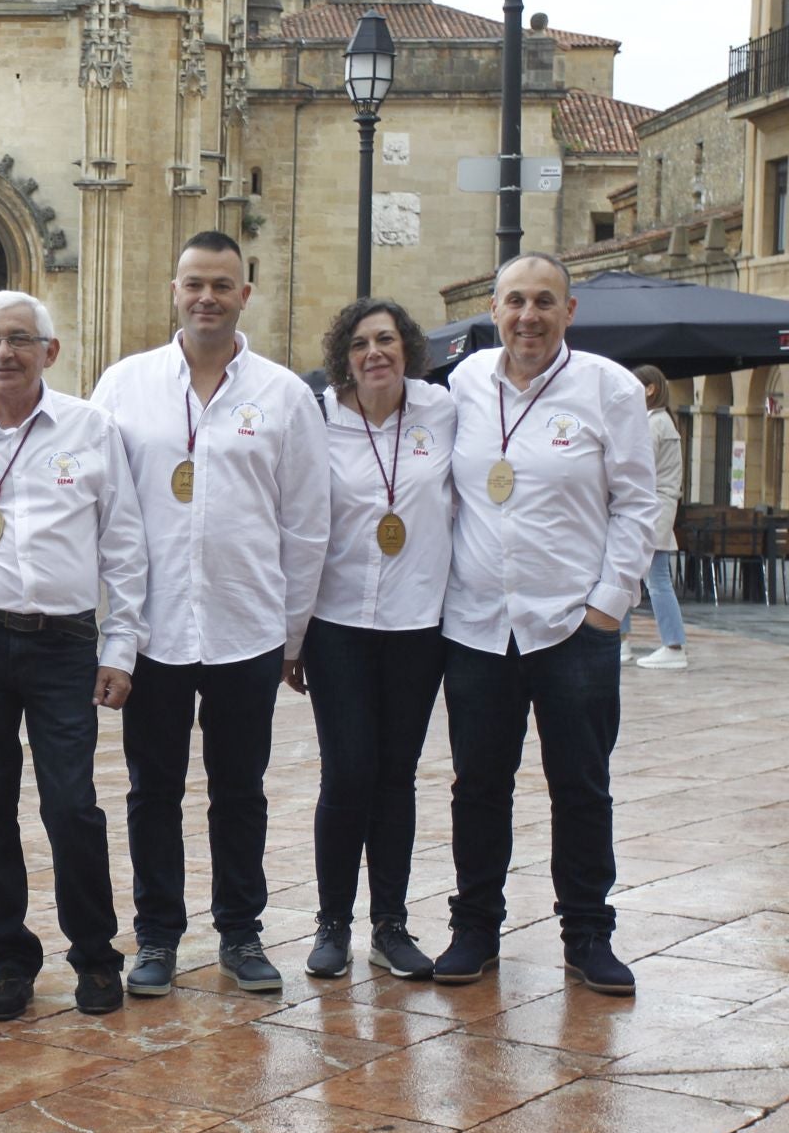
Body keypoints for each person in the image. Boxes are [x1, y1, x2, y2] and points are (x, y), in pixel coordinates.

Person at [90, 230, 329, 998]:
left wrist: (293, 634)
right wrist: (111, 632)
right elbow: (94, 504)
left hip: (246, 626)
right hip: (153, 628)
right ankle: (157, 936)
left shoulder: (285, 395)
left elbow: (307, 521)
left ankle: (241, 931)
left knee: (240, 789)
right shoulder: (124, 386)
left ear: (244, 295)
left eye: (222, 285)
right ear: (174, 289)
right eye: (194, 283)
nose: (207, 298)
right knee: (150, 790)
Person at [0, 289, 148, 1022]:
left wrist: (123, 646)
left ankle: (97, 955)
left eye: (19, 339)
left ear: (49, 351)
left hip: (64, 641)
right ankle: (9, 957)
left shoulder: (91, 428)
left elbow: (125, 543)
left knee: (72, 806)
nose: (3, 353)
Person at [433, 253, 658, 996]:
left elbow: (636, 504)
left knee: (582, 787)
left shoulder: (609, 389)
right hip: (477, 627)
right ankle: (475, 928)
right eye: (514, 301)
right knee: (478, 787)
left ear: (569, 311)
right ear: (493, 311)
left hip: (573, 627)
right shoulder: (462, 385)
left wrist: (607, 607)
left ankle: (588, 934)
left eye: (543, 301)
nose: (527, 315)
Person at [292, 298, 454, 981]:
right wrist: (291, 632)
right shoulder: (317, 419)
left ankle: (390, 924)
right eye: (359, 344)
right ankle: (333, 923)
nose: (374, 353)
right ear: (343, 357)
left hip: (419, 623)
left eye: (385, 340)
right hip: (338, 625)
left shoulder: (442, 412)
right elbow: (296, 523)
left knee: (396, 775)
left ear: (406, 347)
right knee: (349, 770)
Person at [621, 364, 686, 670]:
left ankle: (672, 646)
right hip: (655, 510)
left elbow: (637, 467)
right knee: (632, 574)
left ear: (650, 389)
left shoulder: (654, 424)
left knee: (651, 578)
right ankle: (624, 641)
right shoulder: (660, 422)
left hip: (651, 511)